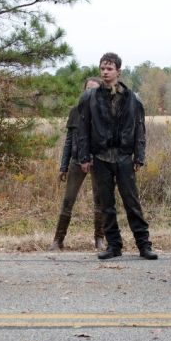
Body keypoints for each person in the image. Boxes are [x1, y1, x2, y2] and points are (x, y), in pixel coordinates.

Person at [77, 52, 156, 260]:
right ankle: (114, 245)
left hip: (123, 156)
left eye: (109, 68)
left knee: (132, 202)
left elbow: (140, 127)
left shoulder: (132, 98)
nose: (105, 72)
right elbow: (82, 128)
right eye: (103, 68)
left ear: (118, 71)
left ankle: (143, 245)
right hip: (101, 157)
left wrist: (139, 155)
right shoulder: (89, 98)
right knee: (106, 204)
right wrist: (84, 157)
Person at [50, 77, 105, 251]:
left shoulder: (105, 113)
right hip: (76, 160)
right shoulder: (75, 111)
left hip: (99, 161)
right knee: (68, 200)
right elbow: (68, 141)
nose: (90, 93)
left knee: (100, 200)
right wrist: (63, 166)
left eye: (94, 90)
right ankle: (58, 240)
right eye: (87, 89)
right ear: (83, 91)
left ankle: (99, 239)